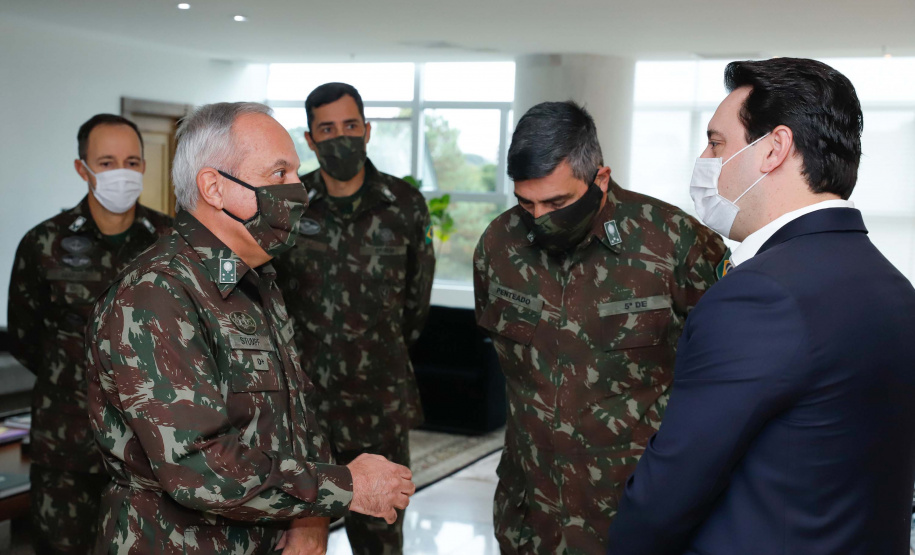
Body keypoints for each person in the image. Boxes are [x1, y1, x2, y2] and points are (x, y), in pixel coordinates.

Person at [606, 57, 915, 555]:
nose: (705, 159)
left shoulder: (757, 296)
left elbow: (670, 490)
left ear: (774, 148)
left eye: (716, 142)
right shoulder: (893, 287)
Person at [85, 102, 415, 555]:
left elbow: (297, 414)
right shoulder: (155, 295)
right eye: (279, 174)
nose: (298, 190)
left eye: (297, 173)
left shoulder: (250, 279)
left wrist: (309, 517)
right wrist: (345, 487)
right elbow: (197, 465)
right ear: (215, 187)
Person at [473, 100, 728, 554]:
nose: (539, 218)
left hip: (637, 515)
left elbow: (722, 383)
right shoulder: (498, 244)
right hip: (530, 514)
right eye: (525, 203)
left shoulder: (676, 243)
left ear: (600, 179)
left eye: (557, 202)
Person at [272, 82, 434, 554]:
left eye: (349, 125)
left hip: (377, 403)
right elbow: (271, 295)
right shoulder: (289, 204)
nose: (340, 137)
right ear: (310, 139)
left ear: (367, 129)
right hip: (301, 406)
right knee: (299, 538)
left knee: (381, 534)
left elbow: (415, 305)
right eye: (327, 128)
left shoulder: (404, 204)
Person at [7, 113, 172, 554]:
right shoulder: (44, 243)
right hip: (67, 447)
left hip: (154, 449)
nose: (122, 172)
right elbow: (24, 337)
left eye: (132, 161)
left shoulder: (172, 241)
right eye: (106, 161)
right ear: (82, 169)